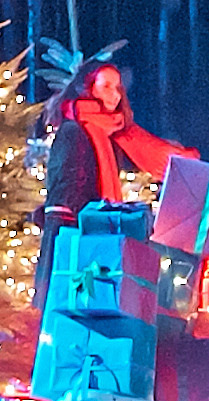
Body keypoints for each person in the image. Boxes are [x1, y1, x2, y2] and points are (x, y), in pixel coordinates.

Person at [35, 59, 184, 283]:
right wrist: (81, 226)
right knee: (71, 296)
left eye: (117, 88)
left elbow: (150, 153)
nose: (114, 95)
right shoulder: (73, 130)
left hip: (93, 230)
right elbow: (64, 191)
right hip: (72, 233)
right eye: (106, 86)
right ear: (88, 88)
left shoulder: (111, 133)